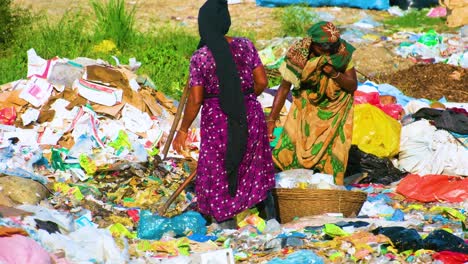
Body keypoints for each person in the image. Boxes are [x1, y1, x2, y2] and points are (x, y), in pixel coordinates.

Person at [172, 0, 275, 223]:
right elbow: (262, 82)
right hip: (250, 113)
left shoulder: (201, 57)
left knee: (219, 167)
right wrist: (243, 99)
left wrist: (183, 129)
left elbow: (196, 98)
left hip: (218, 120)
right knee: (252, 163)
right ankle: (268, 217)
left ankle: (226, 220)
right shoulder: (246, 46)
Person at [266, 21, 358, 185]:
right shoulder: (298, 55)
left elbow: (352, 85)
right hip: (305, 108)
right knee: (288, 148)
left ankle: (327, 190)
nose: (328, 52)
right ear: (313, 44)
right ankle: (287, 187)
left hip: (336, 111)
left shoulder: (341, 52)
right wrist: (272, 119)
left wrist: (334, 73)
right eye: (324, 48)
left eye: (332, 47)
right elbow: (284, 88)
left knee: (333, 153)